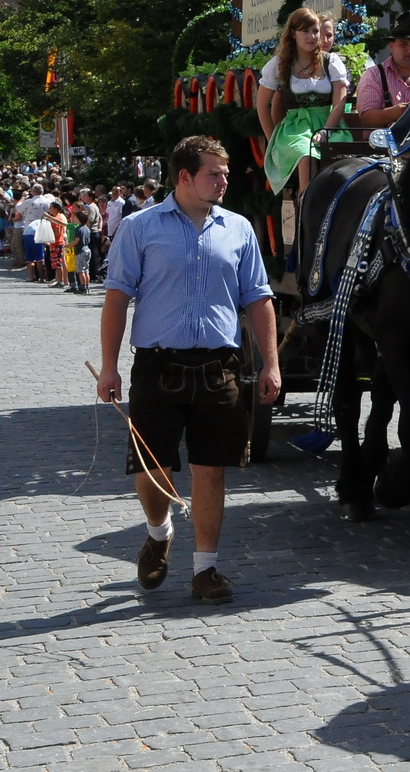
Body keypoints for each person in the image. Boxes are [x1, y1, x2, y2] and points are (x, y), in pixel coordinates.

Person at [96, 136, 280, 604]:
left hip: (219, 367)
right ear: (184, 176)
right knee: (152, 469)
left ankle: (205, 569)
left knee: (210, 471)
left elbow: (258, 298)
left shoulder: (238, 228)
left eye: (224, 173)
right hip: (158, 367)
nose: (224, 181)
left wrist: (271, 363)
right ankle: (159, 533)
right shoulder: (140, 228)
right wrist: (109, 367)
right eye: (213, 173)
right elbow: (117, 298)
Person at [255, 7, 349, 193]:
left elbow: (340, 102)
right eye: (305, 31)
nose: (311, 36)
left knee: (344, 161)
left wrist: (326, 131)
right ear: (293, 33)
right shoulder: (279, 64)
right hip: (294, 128)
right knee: (305, 154)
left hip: (329, 124)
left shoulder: (331, 62)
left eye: (315, 30)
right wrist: (272, 139)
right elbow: (262, 105)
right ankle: (307, 208)